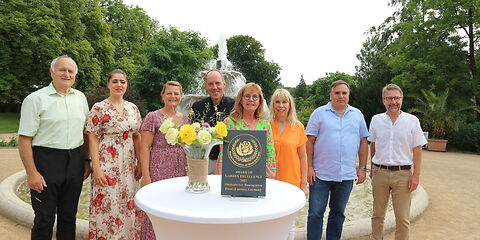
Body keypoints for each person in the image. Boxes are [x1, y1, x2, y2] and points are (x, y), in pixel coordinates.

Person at [17, 55, 91, 239]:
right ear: (52, 72)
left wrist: (87, 160)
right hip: (46, 162)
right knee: (44, 219)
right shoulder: (35, 99)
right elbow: (24, 138)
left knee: (68, 218)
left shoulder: (80, 98)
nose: (67, 74)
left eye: (71, 71)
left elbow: (86, 132)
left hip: (75, 161)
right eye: (62, 70)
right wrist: (32, 172)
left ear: (75, 75)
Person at [306, 80, 369, 240]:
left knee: (338, 213)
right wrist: (309, 168)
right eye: (337, 93)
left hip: (346, 175)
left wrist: (362, 168)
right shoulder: (319, 113)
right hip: (320, 174)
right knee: (315, 213)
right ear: (331, 95)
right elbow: (309, 141)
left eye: (344, 93)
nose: (341, 96)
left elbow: (363, 142)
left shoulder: (358, 114)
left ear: (348, 95)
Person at [85, 69, 142, 239]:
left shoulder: (133, 108)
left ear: (127, 85)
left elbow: (137, 135)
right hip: (107, 163)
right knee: (106, 203)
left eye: (122, 82)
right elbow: (92, 138)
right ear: (108, 84)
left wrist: (139, 162)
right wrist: (96, 168)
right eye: (115, 81)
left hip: (128, 166)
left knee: (128, 204)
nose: (119, 85)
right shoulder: (99, 108)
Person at [368, 84, 427, 240]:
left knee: (402, 218)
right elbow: (373, 144)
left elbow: (417, 148)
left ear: (401, 99)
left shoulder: (412, 121)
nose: (393, 102)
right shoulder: (376, 120)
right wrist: (373, 167)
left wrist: (416, 175)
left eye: (396, 98)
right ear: (383, 101)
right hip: (380, 173)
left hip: (403, 175)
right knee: (377, 215)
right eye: (389, 98)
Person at [138, 81, 189, 240]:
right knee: (156, 207)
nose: (173, 96)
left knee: (176, 208)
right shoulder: (153, 117)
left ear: (180, 97)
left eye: (176, 93)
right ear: (163, 95)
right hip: (159, 168)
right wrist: (146, 176)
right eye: (169, 93)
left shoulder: (186, 119)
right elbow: (144, 147)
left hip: (180, 170)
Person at [215, 82, 277, 178]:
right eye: (247, 96)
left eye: (255, 97)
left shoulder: (265, 125)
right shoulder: (229, 123)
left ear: (260, 101)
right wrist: (220, 174)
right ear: (240, 100)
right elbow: (223, 152)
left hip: (257, 176)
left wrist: (271, 173)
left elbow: (270, 152)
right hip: (232, 175)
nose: (251, 100)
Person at [269, 88, 308, 240]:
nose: (281, 105)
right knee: (272, 220)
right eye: (277, 102)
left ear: (290, 104)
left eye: (284, 102)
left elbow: (303, 157)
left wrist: (304, 184)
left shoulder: (298, 127)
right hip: (271, 182)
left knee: (289, 223)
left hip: (292, 182)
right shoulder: (266, 126)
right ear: (273, 105)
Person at [189, 70, 234, 173]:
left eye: (217, 83)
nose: (215, 87)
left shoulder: (235, 106)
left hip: (228, 161)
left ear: (224, 84)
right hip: (204, 161)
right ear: (205, 86)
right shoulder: (198, 107)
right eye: (210, 84)